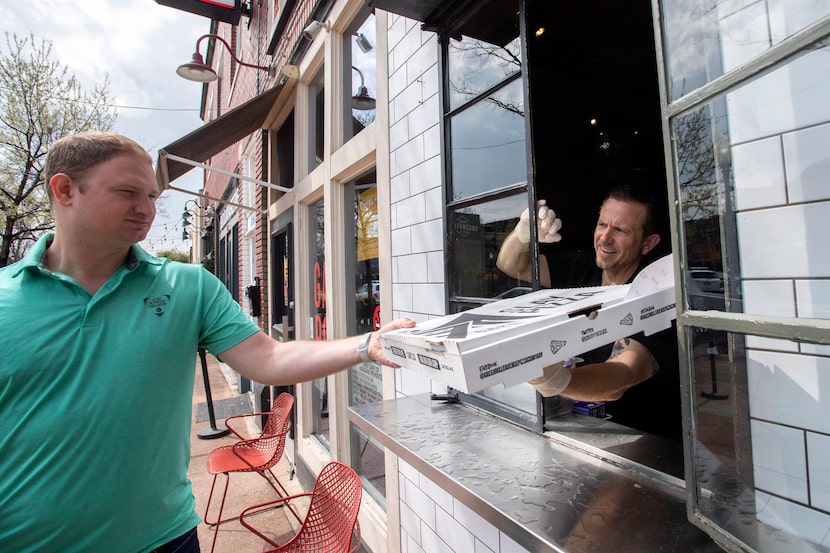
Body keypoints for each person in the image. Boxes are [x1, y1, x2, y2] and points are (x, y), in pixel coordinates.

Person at [0, 132, 415, 553]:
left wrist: (366, 345)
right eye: (127, 192)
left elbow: (266, 358)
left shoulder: (189, 286)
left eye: (151, 195)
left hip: (163, 540)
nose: (145, 209)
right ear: (65, 190)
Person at [496, 184, 680, 440]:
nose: (605, 237)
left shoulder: (654, 291)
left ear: (648, 243)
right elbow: (511, 265)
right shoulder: (582, 269)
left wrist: (558, 381)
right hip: (575, 430)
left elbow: (624, 372)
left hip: (641, 444)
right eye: (602, 224)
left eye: (620, 230)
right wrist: (522, 236)